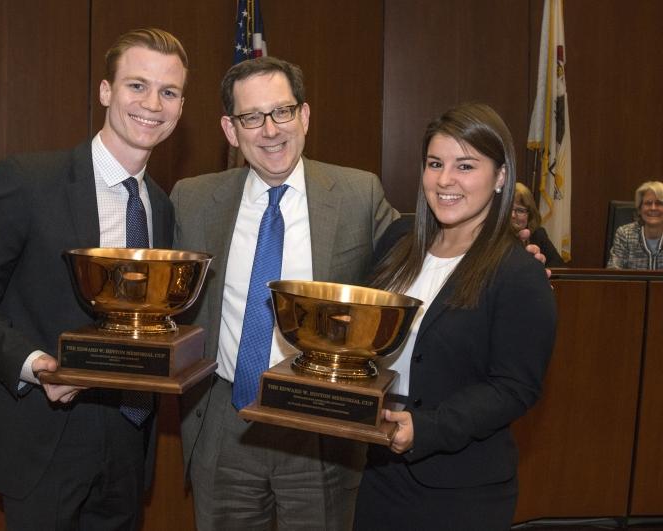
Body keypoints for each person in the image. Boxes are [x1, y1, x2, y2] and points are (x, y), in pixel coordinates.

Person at [0, 28, 185, 530]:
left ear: (182, 106)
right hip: (46, 431)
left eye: (169, 92)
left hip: (130, 432)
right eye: (136, 86)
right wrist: (37, 366)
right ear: (105, 91)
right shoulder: (29, 181)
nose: (152, 104)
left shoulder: (160, 206)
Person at [171, 56, 399, 530]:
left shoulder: (359, 194)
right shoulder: (191, 199)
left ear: (305, 116)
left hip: (320, 425)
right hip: (224, 419)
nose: (270, 130)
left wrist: (503, 256)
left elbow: (417, 268)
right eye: (252, 117)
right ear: (230, 130)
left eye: (282, 112)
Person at [353, 103, 557, 531]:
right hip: (379, 474)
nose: (445, 180)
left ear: (501, 176)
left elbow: (514, 387)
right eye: (435, 164)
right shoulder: (397, 243)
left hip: (461, 490)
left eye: (466, 165)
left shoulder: (518, 272)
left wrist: (425, 429)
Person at [606, 180, 663, 270]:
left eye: (659, 203)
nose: (653, 208)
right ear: (640, 209)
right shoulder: (625, 234)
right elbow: (614, 274)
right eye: (648, 203)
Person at [512, 182, 564, 267]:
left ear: (530, 215)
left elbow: (559, 267)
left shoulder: (538, 235)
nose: (512, 215)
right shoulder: (491, 235)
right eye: (508, 209)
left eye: (520, 210)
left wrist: (539, 270)